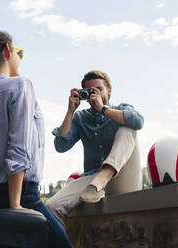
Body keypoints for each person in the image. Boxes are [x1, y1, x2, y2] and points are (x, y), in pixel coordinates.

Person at [0, 29, 73, 248]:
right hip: (20, 195)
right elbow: (18, 149)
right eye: (18, 51)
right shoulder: (20, 86)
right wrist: (16, 204)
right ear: (7, 50)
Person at [46, 70, 144, 228]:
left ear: (109, 90)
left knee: (128, 127)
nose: (94, 94)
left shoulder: (121, 108)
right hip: (92, 181)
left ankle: (104, 175)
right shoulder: (80, 118)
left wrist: (103, 109)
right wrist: (70, 111)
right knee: (51, 207)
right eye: (89, 91)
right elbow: (61, 146)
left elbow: (138, 122)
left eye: (98, 89)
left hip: (122, 178)